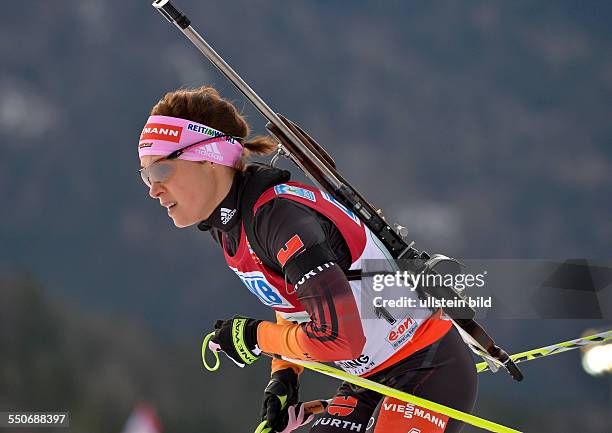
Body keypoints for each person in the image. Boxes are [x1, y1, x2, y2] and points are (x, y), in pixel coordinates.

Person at [138, 86, 478, 433]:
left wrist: (256, 337)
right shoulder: (230, 225)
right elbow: (291, 300)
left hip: (427, 369)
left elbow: (340, 337)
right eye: (146, 175)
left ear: (209, 157)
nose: (153, 188)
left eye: (161, 171)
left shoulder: (279, 219)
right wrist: (284, 376)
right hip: (366, 381)